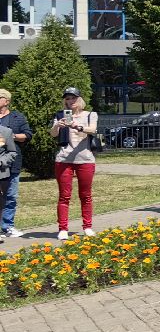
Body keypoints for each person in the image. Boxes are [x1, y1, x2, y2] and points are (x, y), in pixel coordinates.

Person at [49, 86, 99, 240]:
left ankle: (87, 227)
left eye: (73, 98)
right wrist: (57, 125)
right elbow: (53, 134)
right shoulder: (61, 115)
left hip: (85, 159)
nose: (70, 101)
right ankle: (63, 228)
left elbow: (93, 130)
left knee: (86, 195)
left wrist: (77, 126)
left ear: (79, 99)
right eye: (68, 99)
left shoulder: (90, 115)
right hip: (64, 159)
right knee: (64, 196)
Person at [0, 87, 32, 238]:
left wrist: (10, 136)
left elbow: (27, 135)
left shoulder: (17, 118)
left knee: (10, 196)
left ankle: (7, 226)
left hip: (11, 163)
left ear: (7, 101)